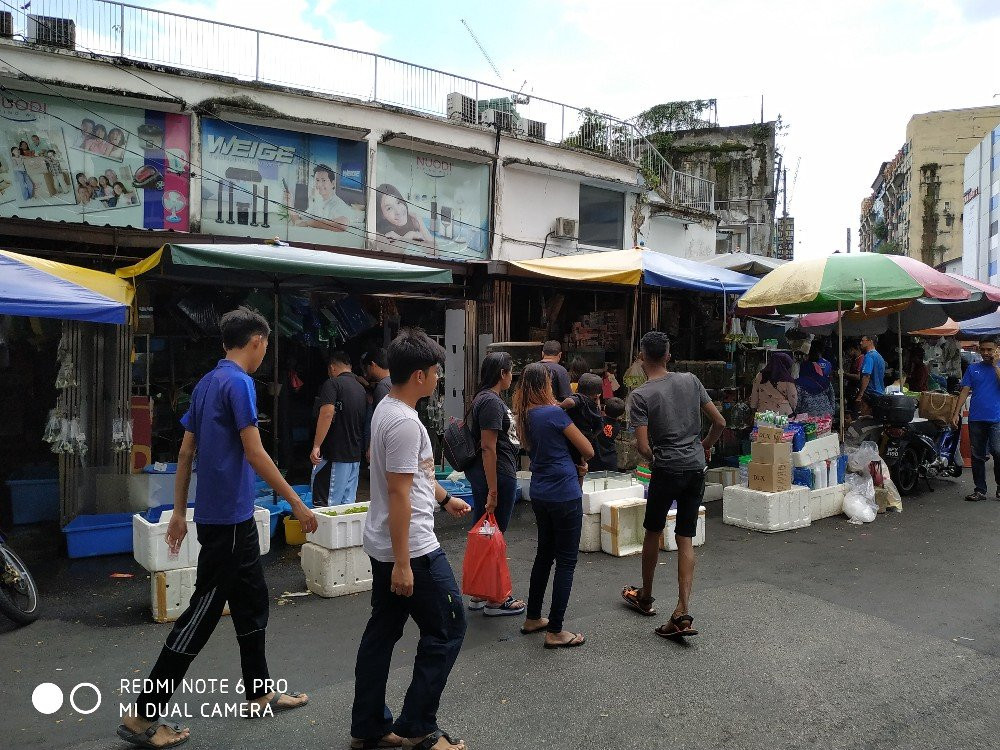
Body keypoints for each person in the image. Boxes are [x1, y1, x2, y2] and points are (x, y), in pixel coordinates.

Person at [117, 308, 316, 749]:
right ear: (258, 342)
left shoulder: (207, 383)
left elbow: (186, 453)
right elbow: (255, 451)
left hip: (224, 517)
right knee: (201, 615)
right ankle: (140, 717)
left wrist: (178, 513)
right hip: (227, 522)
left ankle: (260, 692)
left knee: (252, 603)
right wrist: (297, 502)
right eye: (265, 346)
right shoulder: (240, 383)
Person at [350, 328, 471, 750]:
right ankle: (418, 725)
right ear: (419, 375)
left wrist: (445, 498)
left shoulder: (387, 406)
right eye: (436, 371)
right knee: (450, 626)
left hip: (389, 542)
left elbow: (413, 478)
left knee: (382, 632)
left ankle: (368, 727)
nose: (439, 377)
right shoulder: (403, 422)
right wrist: (403, 562)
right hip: (413, 549)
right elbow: (400, 492)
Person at [621, 331, 726, 639]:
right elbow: (719, 423)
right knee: (685, 537)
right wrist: (704, 445)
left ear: (642, 358)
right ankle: (682, 609)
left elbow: (642, 447)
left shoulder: (640, 396)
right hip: (696, 467)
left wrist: (660, 458)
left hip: (666, 468)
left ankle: (646, 596)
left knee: (653, 531)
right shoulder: (691, 381)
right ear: (668, 356)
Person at [516, 362, 594, 649]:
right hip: (563, 490)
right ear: (543, 385)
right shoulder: (553, 413)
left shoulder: (525, 414)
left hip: (540, 491)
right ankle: (556, 629)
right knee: (566, 561)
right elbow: (588, 449)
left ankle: (533, 617)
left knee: (544, 555)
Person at [464, 352, 526, 616]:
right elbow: (488, 447)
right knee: (495, 535)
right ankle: (497, 598)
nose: (512, 376)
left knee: (487, 533)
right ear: (502, 373)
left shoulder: (485, 399)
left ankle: (481, 592)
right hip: (497, 474)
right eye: (511, 371)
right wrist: (493, 490)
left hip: (491, 474)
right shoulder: (490, 401)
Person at [311, 351, 367, 506]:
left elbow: (327, 413)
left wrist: (316, 445)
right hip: (354, 456)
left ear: (332, 368)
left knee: (327, 506)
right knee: (347, 506)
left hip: (335, 455)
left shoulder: (332, 384)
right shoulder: (361, 389)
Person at [951, 335, 1000, 502]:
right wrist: (956, 412)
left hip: (996, 418)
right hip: (976, 418)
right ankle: (980, 490)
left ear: (996, 350)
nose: (986, 353)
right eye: (983, 349)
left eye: (989, 350)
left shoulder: (998, 367)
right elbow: (965, 390)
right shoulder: (973, 369)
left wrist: (995, 365)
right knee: (977, 455)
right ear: (979, 350)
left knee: (997, 451)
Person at [288, 164, 362, 231]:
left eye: (323, 180)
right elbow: (298, 222)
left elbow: (342, 225)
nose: (319, 184)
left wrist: (310, 223)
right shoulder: (318, 203)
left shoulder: (338, 204)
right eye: (317, 180)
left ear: (332, 184)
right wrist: (289, 203)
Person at [559, 372, 604, 476]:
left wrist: (559, 407)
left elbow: (570, 402)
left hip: (571, 437)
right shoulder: (594, 407)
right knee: (580, 466)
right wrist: (591, 437)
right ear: (597, 394)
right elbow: (599, 426)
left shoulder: (580, 398)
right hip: (586, 439)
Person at [796, 345, 835, 417]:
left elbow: (797, 403)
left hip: (808, 416)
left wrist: (796, 414)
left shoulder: (800, 384)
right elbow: (831, 396)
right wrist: (832, 410)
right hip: (827, 414)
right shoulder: (825, 380)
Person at [590, 396, 625, 472]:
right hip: (610, 460)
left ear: (605, 408)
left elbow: (597, 413)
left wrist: (597, 399)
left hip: (595, 459)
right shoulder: (617, 426)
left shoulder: (598, 421)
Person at [857, 334, 887, 413]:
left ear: (870, 342)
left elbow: (866, 376)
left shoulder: (869, 356)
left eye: (862, 341)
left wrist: (860, 395)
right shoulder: (880, 357)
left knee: (866, 419)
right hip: (880, 393)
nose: (860, 343)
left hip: (870, 395)